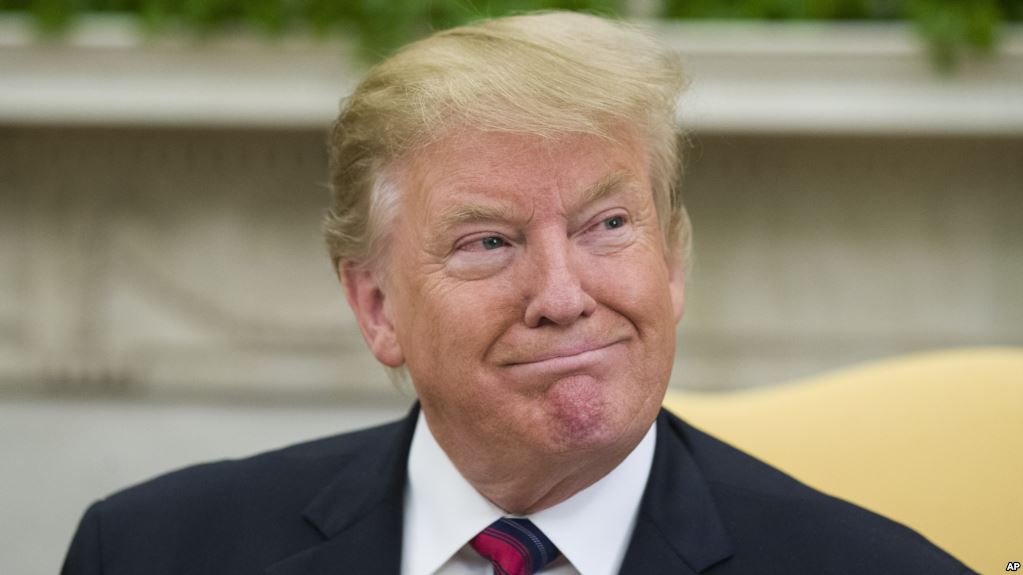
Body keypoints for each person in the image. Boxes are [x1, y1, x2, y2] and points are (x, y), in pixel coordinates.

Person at [62, 11, 973, 575]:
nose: (562, 295)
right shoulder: (147, 551)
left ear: (672, 263)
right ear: (376, 307)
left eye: (606, 225)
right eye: (488, 241)